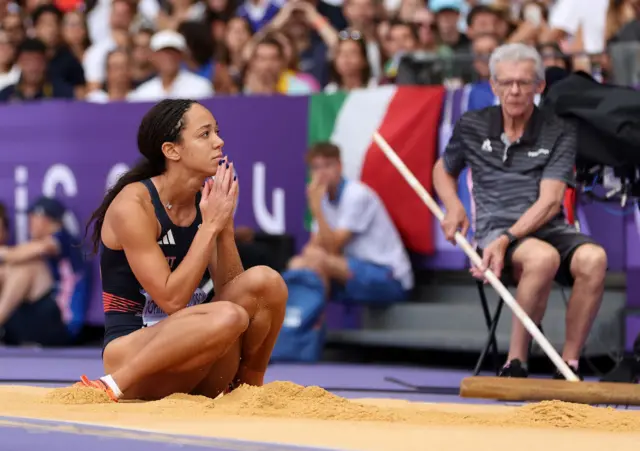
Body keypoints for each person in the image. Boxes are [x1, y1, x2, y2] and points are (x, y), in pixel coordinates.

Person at [76, 99, 287, 402]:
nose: (219, 141)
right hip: (136, 353)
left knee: (266, 283)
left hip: (200, 347)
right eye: (205, 135)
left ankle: (248, 390)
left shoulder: (206, 201)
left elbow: (234, 289)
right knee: (227, 316)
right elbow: (172, 299)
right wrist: (210, 226)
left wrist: (223, 223)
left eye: (217, 132)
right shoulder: (134, 205)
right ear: (172, 150)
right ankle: (111, 384)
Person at [433, 43, 608, 380]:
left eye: (524, 83)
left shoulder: (559, 130)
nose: (515, 90)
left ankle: (568, 363)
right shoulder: (472, 125)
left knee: (594, 259)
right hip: (494, 228)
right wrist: (453, 206)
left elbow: (550, 201)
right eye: (506, 82)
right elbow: (444, 168)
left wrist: (510, 238)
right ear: (494, 86)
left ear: (539, 86)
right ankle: (516, 363)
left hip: (545, 226)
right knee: (542, 258)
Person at [286, 142, 413, 305]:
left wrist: (316, 208)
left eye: (327, 165)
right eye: (316, 168)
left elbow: (332, 247)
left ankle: (310, 327)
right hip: (353, 272)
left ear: (339, 166)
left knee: (319, 262)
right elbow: (313, 246)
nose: (321, 173)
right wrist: (308, 255)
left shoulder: (357, 195)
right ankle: (304, 327)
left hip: (389, 278)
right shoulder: (322, 198)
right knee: (297, 264)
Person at [0, 197, 89, 346]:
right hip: (38, 317)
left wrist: (4, 253)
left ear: (44, 218)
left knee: (28, 267)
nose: (30, 225)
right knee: (7, 270)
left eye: (32, 219)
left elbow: (15, 255)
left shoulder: (64, 238)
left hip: (62, 322)